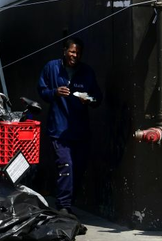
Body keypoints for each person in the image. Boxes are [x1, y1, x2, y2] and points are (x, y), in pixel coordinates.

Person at [37, 37, 102, 216]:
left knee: (78, 168)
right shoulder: (51, 68)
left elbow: (98, 98)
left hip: (80, 131)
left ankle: (69, 203)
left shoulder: (87, 72)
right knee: (66, 165)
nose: (75, 55)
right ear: (64, 51)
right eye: (73, 51)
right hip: (59, 129)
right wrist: (54, 92)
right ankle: (63, 206)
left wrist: (89, 100)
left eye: (78, 53)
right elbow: (42, 91)